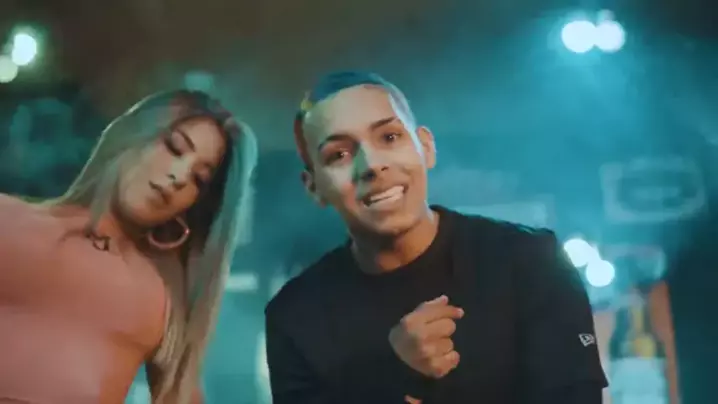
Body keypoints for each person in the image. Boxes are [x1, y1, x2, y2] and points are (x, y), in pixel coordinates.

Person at [264, 71, 608, 404]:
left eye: (389, 137)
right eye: (338, 155)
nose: (371, 164)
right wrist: (396, 380)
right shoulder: (296, 316)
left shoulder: (532, 262)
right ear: (314, 187)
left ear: (426, 147)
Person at [0, 90, 257, 404]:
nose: (179, 176)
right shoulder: (9, 220)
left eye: (198, 179)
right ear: (129, 135)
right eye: (174, 147)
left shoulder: (162, 297)